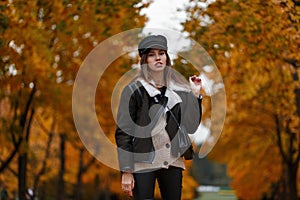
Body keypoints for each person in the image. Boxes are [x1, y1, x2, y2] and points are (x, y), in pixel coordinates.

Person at [115, 35, 202, 200]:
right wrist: (126, 170)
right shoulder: (133, 90)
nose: (158, 58)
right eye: (152, 54)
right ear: (144, 60)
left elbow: (191, 126)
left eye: (161, 53)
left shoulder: (177, 90)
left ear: (166, 57)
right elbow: (124, 132)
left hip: (173, 161)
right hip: (142, 161)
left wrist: (195, 96)